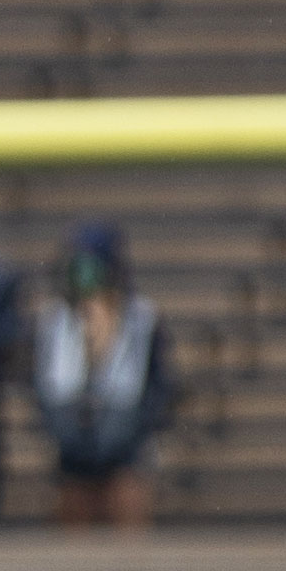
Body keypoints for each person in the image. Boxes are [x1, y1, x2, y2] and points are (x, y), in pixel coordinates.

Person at [38, 222, 178, 527]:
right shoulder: (55, 319)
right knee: (74, 513)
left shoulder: (141, 318)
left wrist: (137, 426)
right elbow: (42, 381)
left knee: (128, 504)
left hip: (124, 439)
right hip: (73, 440)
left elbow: (158, 383)